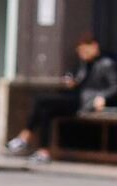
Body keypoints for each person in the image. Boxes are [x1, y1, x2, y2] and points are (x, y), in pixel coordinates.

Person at [8, 33, 116, 161]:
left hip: (86, 101)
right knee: (46, 112)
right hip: (76, 97)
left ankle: (24, 138)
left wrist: (102, 97)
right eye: (80, 51)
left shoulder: (106, 63)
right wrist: (73, 82)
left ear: (94, 46)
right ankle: (43, 152)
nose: (82, 54)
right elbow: (82, 82)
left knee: (40, 100)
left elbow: (114, 85)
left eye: (84, 50)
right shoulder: (84, 64)